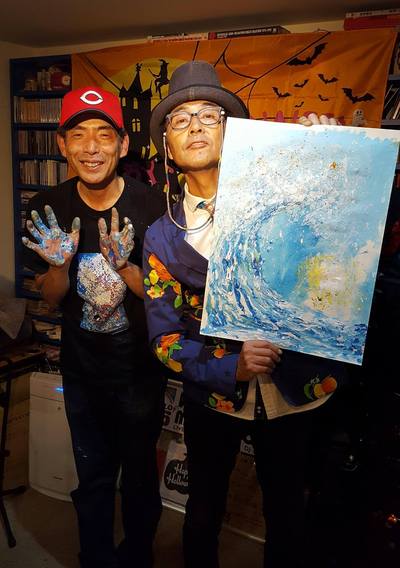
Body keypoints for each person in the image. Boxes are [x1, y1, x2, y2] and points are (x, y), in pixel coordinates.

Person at [143, 60, 347, 568]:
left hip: (295, 391)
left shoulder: (287, 195)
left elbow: (347, 240)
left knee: (289, 514)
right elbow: (163, 340)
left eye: (209, 115)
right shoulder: (161, 237)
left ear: (230, 130)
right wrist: (229, 368)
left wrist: (332, 156)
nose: (195, 126)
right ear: (167, 146)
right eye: (180, 119)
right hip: (214, 398)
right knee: (203, 511)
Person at [23, 86, 166, 568]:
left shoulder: (152, 207)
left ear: (122, 144)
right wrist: (60, 266)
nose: (91, 147)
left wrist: (126, 268)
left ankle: (139, 555)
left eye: (103, 134)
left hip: (139, 372)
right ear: (62, 144)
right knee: (93, 476)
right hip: (81, 371)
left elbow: (164, 299)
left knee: (140, 478)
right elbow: (51, 296)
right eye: (78, 135)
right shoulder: (47, 207)